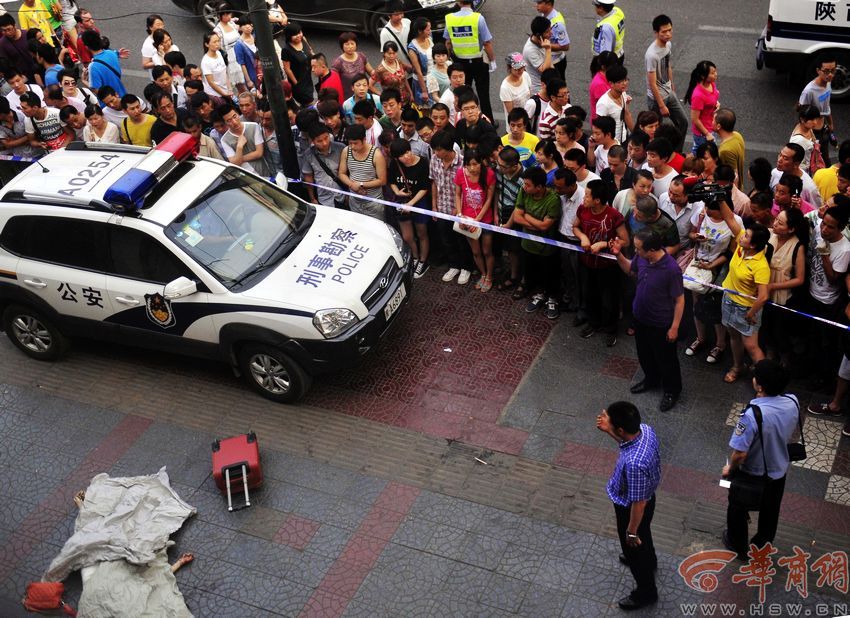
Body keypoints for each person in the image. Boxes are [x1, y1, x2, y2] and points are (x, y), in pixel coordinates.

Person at [722, 360, 800, 561]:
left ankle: (738, 545)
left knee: (737, 508)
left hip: (752, 473)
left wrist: (730, 469)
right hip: (778, 470)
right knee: (770, 511)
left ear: (760, 386)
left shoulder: (752, 414)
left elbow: (740, 454)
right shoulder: (793, 401)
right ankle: (761, 545)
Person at [596, 401, 660, 611]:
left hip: (632, 510)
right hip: (648, 499)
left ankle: (646, 591)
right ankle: (649, 560)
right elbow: (627, 444)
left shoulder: (634, 464)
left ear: (621, 429)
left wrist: (631, 532)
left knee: (634, 548)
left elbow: (637, 503)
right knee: (646, 533)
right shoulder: (646, 431)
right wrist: (610, 432)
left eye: (612, 425)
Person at [611, 229, 683, 410]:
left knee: (666, 359)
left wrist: (674, 327)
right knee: (644, 353)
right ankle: (651, 379)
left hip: (661, 323)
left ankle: (671, 391)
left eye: (638, 249)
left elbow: (679, 300)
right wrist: (618, 255)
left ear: (651, 250)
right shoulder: (642, 258)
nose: (636, 252)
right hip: (641, 317)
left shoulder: (671, 269)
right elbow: (630, 269)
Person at [717, 197, 771, 384]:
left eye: (746, 236)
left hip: (746, 308)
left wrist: (751, 313)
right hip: (729, 300)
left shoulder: (760, 265)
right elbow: (730, 219)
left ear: (754, 245)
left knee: (751, 346)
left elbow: (763, 296)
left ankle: (767, 381)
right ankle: (737, 366)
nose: (742, 237)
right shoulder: (741, 247)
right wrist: (719, 199)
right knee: (733, 336)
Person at [574, 179, 628, 346]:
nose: (584, 198)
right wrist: (583, 237)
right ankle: (593, 323)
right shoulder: (583, 209)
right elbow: (575, 226)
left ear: (597, 200)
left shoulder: (613, 216)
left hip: (608, 266)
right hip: (587, 262)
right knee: (590, 295)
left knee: (609, 299)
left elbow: (625, 240)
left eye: (587, 195)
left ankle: (610, 329)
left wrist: (604, 244)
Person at [514, 166, 562, 318]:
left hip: (546, 249)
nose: (524, 187)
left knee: (550, 275)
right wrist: (535, 223)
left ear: (540, 187)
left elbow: (545, 226)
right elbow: (516, 217)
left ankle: (553, 299)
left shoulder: (553, 199)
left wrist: (526, 217)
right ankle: (540, 295)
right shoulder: (524, 192)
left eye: (528, 185)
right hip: (527, 244)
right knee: (533, 274)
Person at [444, 0, 496, 123]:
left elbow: (448, 42)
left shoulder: (449, 19)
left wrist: (450, 57)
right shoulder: (478, 18)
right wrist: (492, 60)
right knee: (483, 95)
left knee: (463, 95)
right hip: (478, 62)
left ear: (458, 2)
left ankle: (464, 121)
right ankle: (489, 122)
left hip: (460, 64)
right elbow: (487, 42)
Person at [454, 147, 496, 291]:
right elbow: (458, 195)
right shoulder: (460, 174)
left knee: (487, 251)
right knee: (476, 251)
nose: (472, 168)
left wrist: (477, 220)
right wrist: (460, 216)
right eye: (469, 164)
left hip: (485, 220)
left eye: (475, 164)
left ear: (481, 163)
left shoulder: (489, 175)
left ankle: (490, 276)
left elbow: (489, 199)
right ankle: (483, 274)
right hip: (466, 218)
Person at [645, 15, 688, 153]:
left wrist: (672, 85)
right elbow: (652, 83)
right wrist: (662, 105)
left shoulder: (668, 45)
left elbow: (668, 65)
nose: (668, 34)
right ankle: (659, 156)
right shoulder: (651, 55)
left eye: (670, 30)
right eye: (664, 32)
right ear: (656, 33)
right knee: (656, 132)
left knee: (683, 122)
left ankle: (676, 153)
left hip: (669, 93)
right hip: (657, 99)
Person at [389, 138, 431, 277]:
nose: (406, 157)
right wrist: (396, 192)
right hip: (402, 201)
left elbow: (425, 187)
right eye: (401, 156)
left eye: (407, 152)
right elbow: (391, 181)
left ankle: (423, 261)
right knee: (407, 236)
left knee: (422, 233)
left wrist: (411, 203)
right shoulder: (395, 164)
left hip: (419, 202)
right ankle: (414, 257)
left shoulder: (423, 163)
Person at [338, 123, 387, 221]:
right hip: (354, 201)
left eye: (355, 143)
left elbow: (382, 181)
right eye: (350, 143)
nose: (352, 146)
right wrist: (352, 185)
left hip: (373, 203)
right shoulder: (346, 151)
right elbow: (341, 173)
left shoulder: (376, 155)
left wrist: (361, 184)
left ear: (364, 139)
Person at [799, 54, 836, 166]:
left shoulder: (828, 83)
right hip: (813, 132)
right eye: (826, 71)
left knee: (824, 159)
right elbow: (802, 112)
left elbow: (826, 106)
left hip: (823, 128)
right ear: (818, 71)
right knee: (811, 161)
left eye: (833, 71)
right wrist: (808, 134)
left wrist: (830, 124)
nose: (830, 75)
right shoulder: (809, 91)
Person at [219, 104, 270, 176]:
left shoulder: (253, 126)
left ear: (238, 114)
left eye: (235, 116)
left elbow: (259, 153)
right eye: (229, 121)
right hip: (246, 177)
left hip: (263, 171)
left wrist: (238, 159)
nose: (234, 122)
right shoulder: (224, 140)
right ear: (225, 123)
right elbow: (235, 164)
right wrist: (239, 147)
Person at [770, 143, 823, 208]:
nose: (779, 160)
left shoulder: (809, 188)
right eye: (780, 155)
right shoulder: (775, 173)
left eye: (785, 158)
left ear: (796, 164)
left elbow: (816, 213)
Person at [684, 60, 719, 154]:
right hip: (703, 133)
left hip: (711, 126)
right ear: (703, 76)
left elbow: (712, 97)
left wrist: (716, 103)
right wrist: (707, 134)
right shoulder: (698, 95)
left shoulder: (711, 84)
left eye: (715, 71)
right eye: (712, 73)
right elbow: (695, 119)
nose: (716, 74)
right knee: (702, 155)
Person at [83, 30, 129, 98]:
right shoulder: (111, 53)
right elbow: (115, 53)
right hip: (122, 95)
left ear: (86, 47)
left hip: (109, 103)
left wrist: (84, 81)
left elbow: (96, 89)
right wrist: (118, 54)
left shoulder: (93, 67)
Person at [595, 64, 632, 144]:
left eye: (625, 79)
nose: (624, 83)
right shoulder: (603, 104)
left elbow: (627, 114)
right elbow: (599, 128)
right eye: (620, 82)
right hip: (611, 144)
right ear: (611, 83)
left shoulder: (623, 93)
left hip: (624, 138)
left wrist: (635, 134)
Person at [332, 32, 374, 101]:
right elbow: (334, 82)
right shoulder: (338, 62)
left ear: (356, 44)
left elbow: (371, 71)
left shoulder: (361, 56)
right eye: (347, 44)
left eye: (352, 43)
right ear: (342, 46)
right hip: (349, 98)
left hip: (364, 95)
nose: (350, 47)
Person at [212, 3, 244, 94]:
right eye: (225, 15)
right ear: (219, 16)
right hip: (231, 59)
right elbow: (218, 48)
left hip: (241, 52)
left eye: (229, 13)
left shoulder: (232, 23)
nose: (228, 16)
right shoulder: (217, 30)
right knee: (241, 86)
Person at [371, 41, 413, 107]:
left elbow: (404, 79)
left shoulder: (398, 62)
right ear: (384, 53)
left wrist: (411, 93)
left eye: (394, 53)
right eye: (389, 53)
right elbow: (370, 85)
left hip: (406, 99)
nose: (392, 56)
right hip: (393, 104)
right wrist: (382, 95)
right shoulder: (380, 70)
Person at [281, 22, 313, 107]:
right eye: (295, 34)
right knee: (308, 101)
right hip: (298, 80)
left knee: (309, 98)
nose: (299, 36)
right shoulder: (286, 50)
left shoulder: (303, 39)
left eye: (299, 32)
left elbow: (310, 51)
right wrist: (297, 84)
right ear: (289, 36)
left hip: (308, 77)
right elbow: (287, 69)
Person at [535, 0, 569, 79]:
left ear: (548, 4)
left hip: (556, 62)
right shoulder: (545, 14)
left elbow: (565, 46)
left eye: (539, 3)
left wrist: (544, 45)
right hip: (548, 59)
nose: (536, 5)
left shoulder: (558, 24)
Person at [0, 14, 40, 82]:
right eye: (3, 30)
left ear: (15, 26)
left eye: (9, 29)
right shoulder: (2, 43)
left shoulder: (27, 34)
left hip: (38, 72)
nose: (7, 33)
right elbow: (6, 63)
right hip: (23, 78)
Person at [523, 16, 553, 98]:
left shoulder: (541, 41)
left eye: (550, 29)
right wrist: (548, 49)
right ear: (538, 35)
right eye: (547, 31)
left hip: (548, 85)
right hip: (539, 91)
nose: (551, 33)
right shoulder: (530, 50)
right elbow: (545, 70)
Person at [715, 107, 745, 189]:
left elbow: (734, 176)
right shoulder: (737, 135)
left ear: (718, 126)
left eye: (713, 120)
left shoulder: (725, 151)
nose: (711, 121)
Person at [407, 17, 433, 109]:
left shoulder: (430, 38)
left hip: (433, 79)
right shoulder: (412, 48)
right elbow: (418, 71)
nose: (430, 31)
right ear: (420, 31)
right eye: (428, 30)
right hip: (422, 83)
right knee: (426, 109)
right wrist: (424, 91)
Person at [789, 104, 822, 173]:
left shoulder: (807, 128)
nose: (815, 122)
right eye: (812, 119)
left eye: (816, 119)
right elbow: (794, 161)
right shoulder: (798, 140)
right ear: (802, 119)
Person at [201, 31, 232, 103]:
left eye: (218, 41)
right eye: (214, 42)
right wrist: (223, 94)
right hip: (216, 95)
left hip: (226, 91)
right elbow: (211, 82)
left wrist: (229, 89)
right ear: (207, 44)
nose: (217, 44)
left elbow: (224, 72)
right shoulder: (206, 62)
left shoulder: (218, 53)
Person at [536, 77, 568, 142]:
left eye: (567, 93)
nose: (566, 97)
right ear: (553, 97)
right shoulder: (545, 122)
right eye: (562, 96)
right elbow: (547, 146)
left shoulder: (567, 107)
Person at [499, 53, 532, 118]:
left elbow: (530, 96)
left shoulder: (525, 75)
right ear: (509, 68)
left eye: (522, 67)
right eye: (517, 68)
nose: (520, 70)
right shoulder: (505, 88)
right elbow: (511, 113)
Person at [234, 15, 259, 93]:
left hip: (262, 71)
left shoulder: (256, 36)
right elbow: (242, 64)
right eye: (244, 25)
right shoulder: (238, 44)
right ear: (240, 28)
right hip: (252, 75)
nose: (248, 26)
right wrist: (248, 81)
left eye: (249, 24)